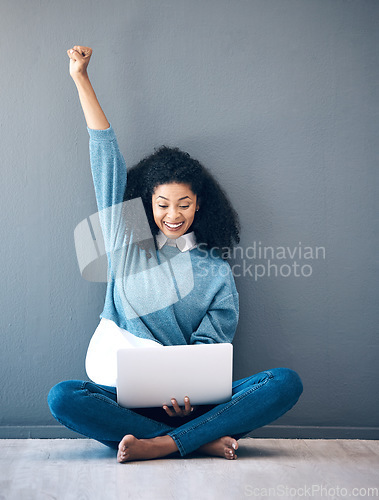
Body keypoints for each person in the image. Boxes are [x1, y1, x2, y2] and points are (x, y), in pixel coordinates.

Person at [48, 45, 303, 463]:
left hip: (190, 402)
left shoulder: (216, 272)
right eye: (162, 204)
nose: (172, 215)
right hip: (124, 397)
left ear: (199, 205)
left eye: (183, 204)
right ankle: (199, 441)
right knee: (65, 397)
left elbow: (209, 351)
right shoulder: (126, 244)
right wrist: (82, 80)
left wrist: (189, 394)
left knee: (284, 382)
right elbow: (106, 163)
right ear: (147, 204)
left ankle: (163, 443)